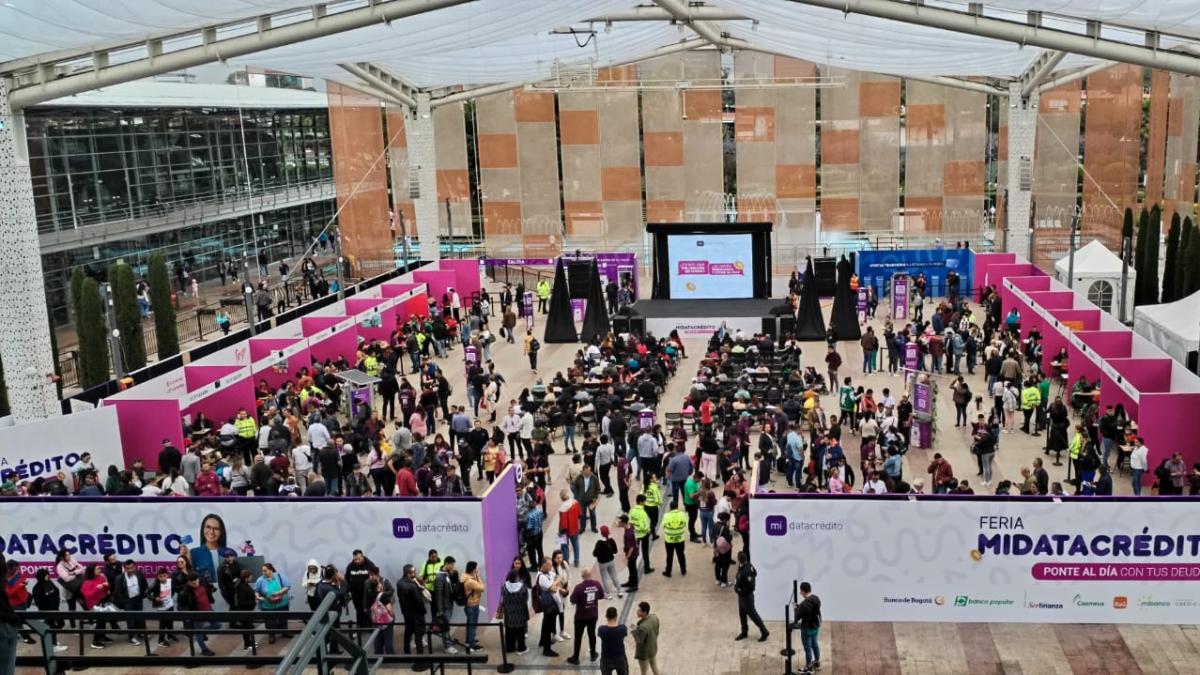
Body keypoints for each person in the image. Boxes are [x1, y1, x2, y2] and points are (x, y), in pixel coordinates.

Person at [566, 568, 605, 665]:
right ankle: (593, 654)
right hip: (593, 615)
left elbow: (572, 600)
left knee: (578, 636)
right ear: (590, 575)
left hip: (581, 616)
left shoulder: (579, 587)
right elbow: (601, 596)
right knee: (592, 634)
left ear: (582, 576)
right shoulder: (597, 584)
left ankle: (576, 657)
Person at [177, 573, 219, 656]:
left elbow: (208, 587)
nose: (196, 584)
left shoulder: (202, 581)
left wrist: (211, 589)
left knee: (217, 625)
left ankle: (201, 632)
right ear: (189, 583)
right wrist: (189, 614)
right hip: (197, 613)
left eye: (196, 582)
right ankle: (204, 649)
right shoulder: (185, 591)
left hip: (208, 609)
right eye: (193, 583)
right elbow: (181, 606)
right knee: (198, 632)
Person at [733, 551, 769, 642]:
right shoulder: (744, 565)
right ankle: (744, 632)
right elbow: (754, 573)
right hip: (741, 597)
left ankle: (764, 631)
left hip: (746, 597)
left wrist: (739, 590)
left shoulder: (747, 570)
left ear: (739, 559)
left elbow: (751, 587)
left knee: (753, 615)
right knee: (742, 614)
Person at [112, 559, 149, 645]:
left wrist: (143, 595)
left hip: (138, 599)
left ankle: (141, 633)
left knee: (140, 617)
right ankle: (131, 637)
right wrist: (124, 602)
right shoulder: (120, 578)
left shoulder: (139, 574)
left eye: (132, 568)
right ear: (124, 568)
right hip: (128, 601)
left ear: (135, 567)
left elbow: (145, 585)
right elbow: (118, 592)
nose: (130, 570)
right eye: (127, 568)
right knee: (130, 619)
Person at [253, 563, 290, 644]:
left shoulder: (280, 576)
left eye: (265, 571)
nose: (264, 573)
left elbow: (287, 586)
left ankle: (285, 632)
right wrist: (258, 597)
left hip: (282, 603)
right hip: (268, 605)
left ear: (271, 570)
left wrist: (279, 592)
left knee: (283, 618)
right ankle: (271, 635)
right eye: (263, 571)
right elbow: (256, 591)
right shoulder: (260, 580)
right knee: (270, 621)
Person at [396, 564, 428, 656]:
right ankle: (420, 654)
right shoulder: (412, 586)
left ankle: (406, 650)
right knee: (418, 634)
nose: (415, 574)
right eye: (414, 572)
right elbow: (418, 601)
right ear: (409, 573)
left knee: (408, 631)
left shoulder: (399, 582)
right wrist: (423, 610)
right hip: (416, 613)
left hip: (406, 612)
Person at [432, 556, 459, 654]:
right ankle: (447, 646)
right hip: (444, 606)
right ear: (446, 564)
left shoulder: (447, 574)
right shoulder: (440, 577)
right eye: (452, 565)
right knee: (445, 626)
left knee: (447, 625)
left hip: (449, 604)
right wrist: (440, 610)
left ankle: (448, 641)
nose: (453, 567)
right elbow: (438, 595)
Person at [535, 559, 562, 657]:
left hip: (552, 603)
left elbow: (559, 577)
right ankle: (547, 649)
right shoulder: (541, 577)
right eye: (549, 565)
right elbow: (554, 590)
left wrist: (554, 583)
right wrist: (556, 584)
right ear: (543, 565)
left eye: (551, 565)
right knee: (548, 626)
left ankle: (543, 641)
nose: (551, 567)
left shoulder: (549, 572)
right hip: (548, 604)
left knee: (546, 624)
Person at [499, 570, 530, 655]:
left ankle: (510, 648)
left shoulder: (504, 586)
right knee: (520, 631)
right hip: (520, 612)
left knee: (509, 630)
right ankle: (521, 648)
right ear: (517, 577)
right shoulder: (523, 586)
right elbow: (526, 599)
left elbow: (503, 598)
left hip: (509, 612)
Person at [796, 581, 823, 673]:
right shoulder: (817, 598)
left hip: (807, 629)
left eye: (801, 591)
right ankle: (817, 663)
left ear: (803, 591)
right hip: (816, 626)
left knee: (808, 649)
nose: (800, 593)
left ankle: (808, 668)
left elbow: (797, 617)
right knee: (815, 645)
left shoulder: (803, 605)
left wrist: (796, 609)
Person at [629, 601, 660, 675]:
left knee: (643, 671)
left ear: (645, 612)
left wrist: (634, 632)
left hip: (644, 653)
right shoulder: (654, 617)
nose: (637, 611)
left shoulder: (643, 627)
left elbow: (639, 640)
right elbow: (656, 631)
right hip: (653, 647)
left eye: (639, 610)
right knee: (654, 666)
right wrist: (637, 628)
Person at [593, 525, 622, 599]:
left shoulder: (599, 543)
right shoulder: (611, 540)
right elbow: (615, 551)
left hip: (602, 563)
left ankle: (608, 594)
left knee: (605, 578)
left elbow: (594, 554)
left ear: (601, 533)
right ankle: (619, 591)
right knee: (614, 575)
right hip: (611, 561)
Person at [597, 606, 629, 675]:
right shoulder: (622, 628)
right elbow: (624, 635)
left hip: (606, 658)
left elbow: (600, 635)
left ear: (606, 616)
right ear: (616, 616)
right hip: (620, 657)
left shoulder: (602, 629)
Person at [660, 500, 688, 577]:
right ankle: (683, 570)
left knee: (669, 556)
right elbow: (685, 524)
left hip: (669, 539)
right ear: (677, 507)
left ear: (670, 507)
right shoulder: (682, 514)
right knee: (681, 554)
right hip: (680, 539)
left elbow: (663, 526)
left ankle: (668, 572)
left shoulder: (666, 515)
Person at [462, 561, 484, 653]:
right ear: (473, 569)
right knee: (472, 626)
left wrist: (475, 576)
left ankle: (469, 640)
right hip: (472, 605)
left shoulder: (466, 577)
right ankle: (472, 645)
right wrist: (478, 576)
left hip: (469, 605)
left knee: (470, 624)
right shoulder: (470, 581)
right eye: (475, 568)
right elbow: (482, 588)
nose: (476, 570)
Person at [629, 495, 653, 574]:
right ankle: (647, 568)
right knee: (645, 552)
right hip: (643, 535)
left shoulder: (632, 510)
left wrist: (635, 527)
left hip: (634, 535)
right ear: (641, 502)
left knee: (635, 553)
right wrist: (648, 530)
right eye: (644, 501)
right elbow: (645, 526)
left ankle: (634, 569)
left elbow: (630, 522)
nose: (645, 503)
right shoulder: (643, 513)